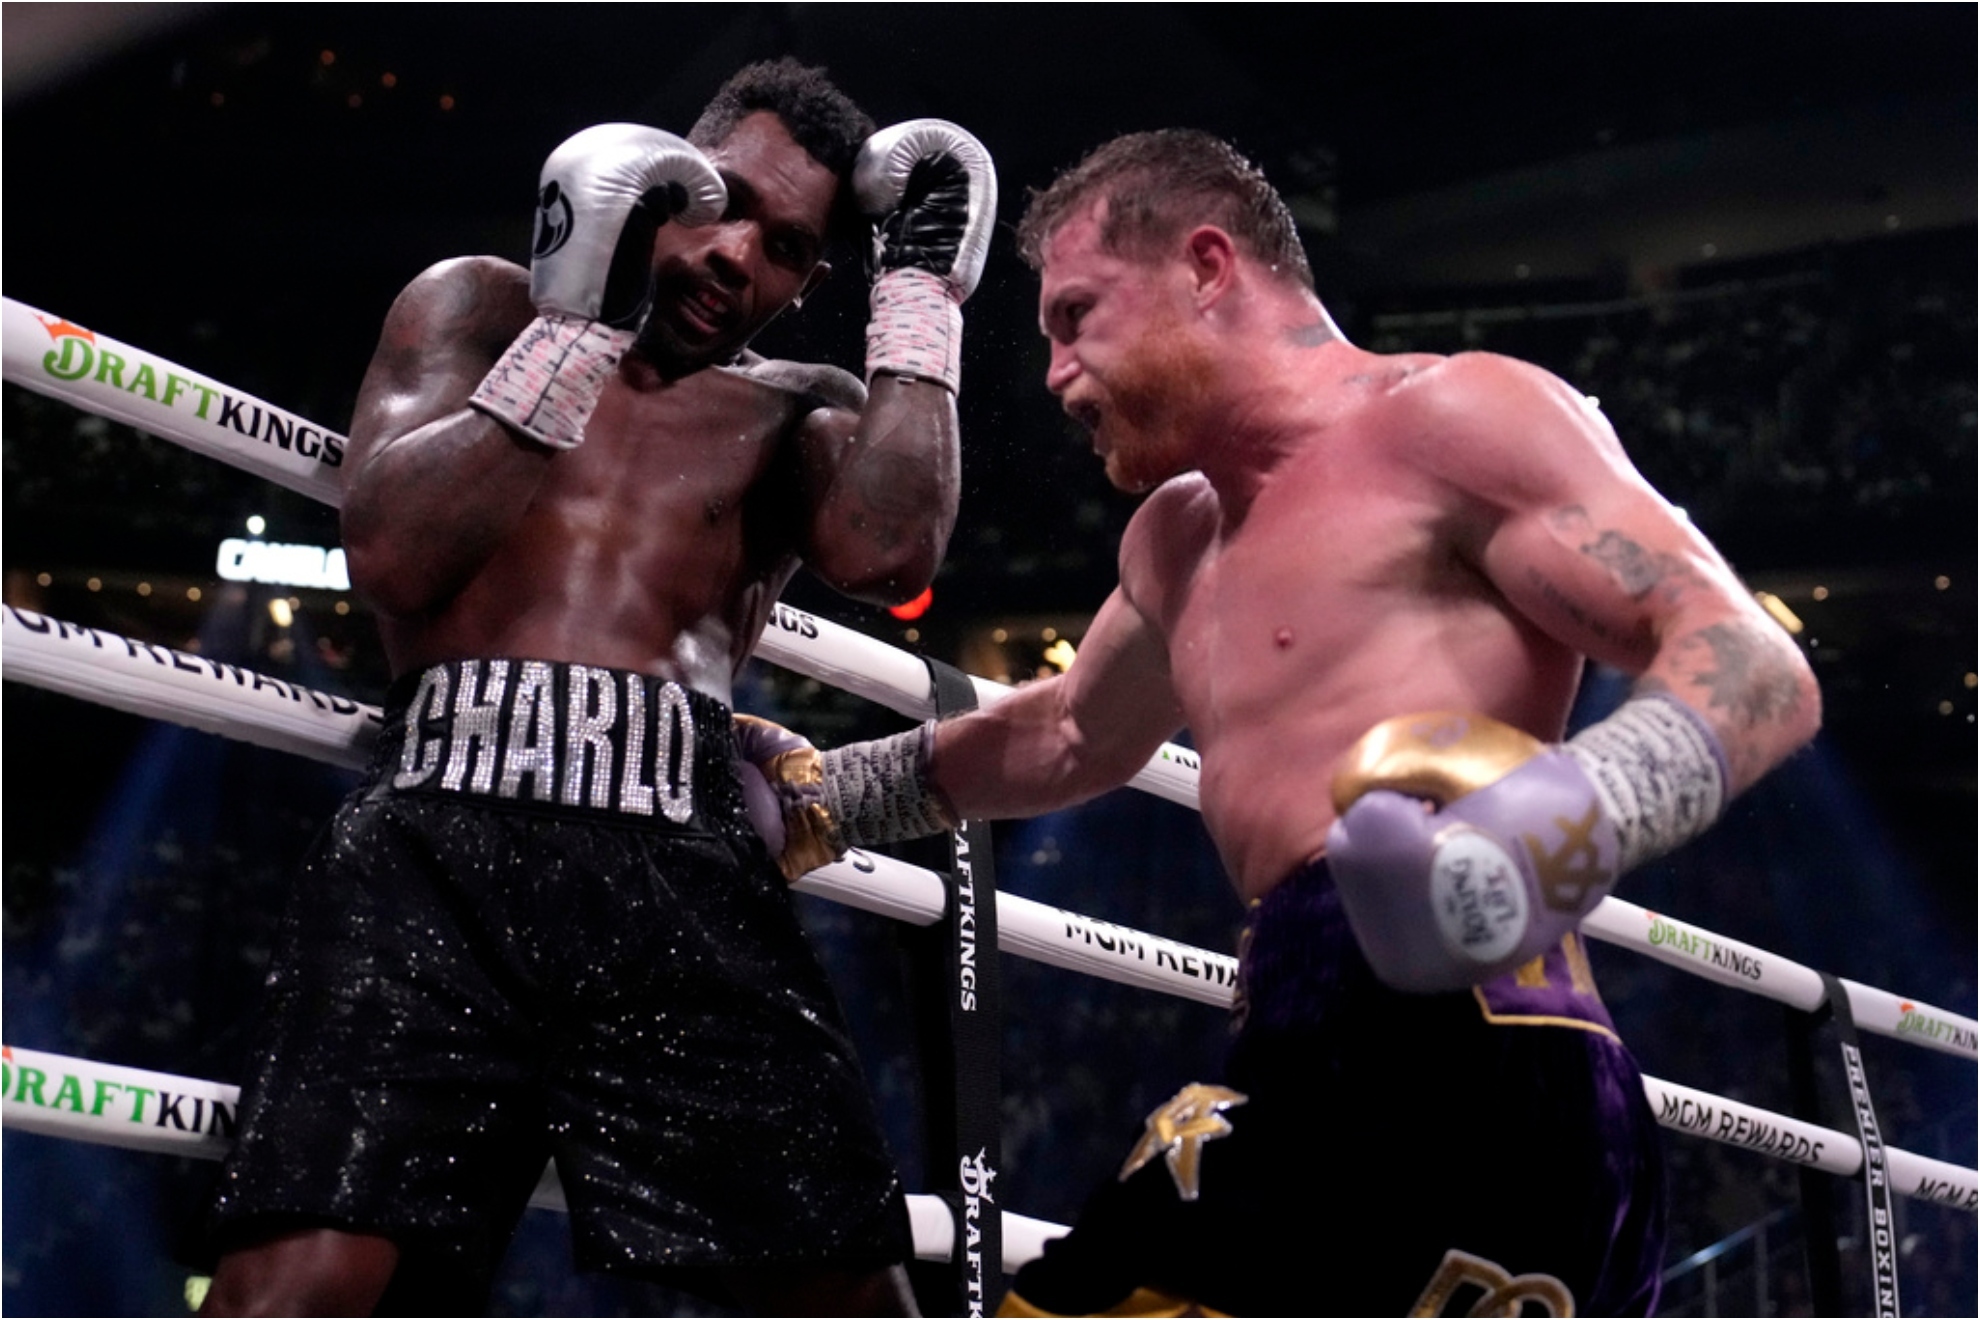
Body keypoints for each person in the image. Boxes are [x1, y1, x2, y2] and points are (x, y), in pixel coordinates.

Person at [776, 129, 1821, 1316]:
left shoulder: (1450, 417)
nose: (1057, 375)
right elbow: (1068, 732)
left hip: (1481, 1049)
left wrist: (1555, 826)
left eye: (1076, 317)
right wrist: (817, 798)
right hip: (1299, 1040)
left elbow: (1753, 665)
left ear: (1206, 266)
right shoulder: (1175, 539)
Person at [199, 58, 995, 1317]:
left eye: (787, 247)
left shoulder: (800, 409)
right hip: (434, 853)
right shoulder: (478, 306)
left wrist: (920, 297)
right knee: (293, 1289)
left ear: (810, 285)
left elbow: (891, 552)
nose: (736, 255)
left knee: (856, 1297)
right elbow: (394, 556)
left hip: (679, 875)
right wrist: (571, 329)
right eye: (722, 202)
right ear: (662, 172)